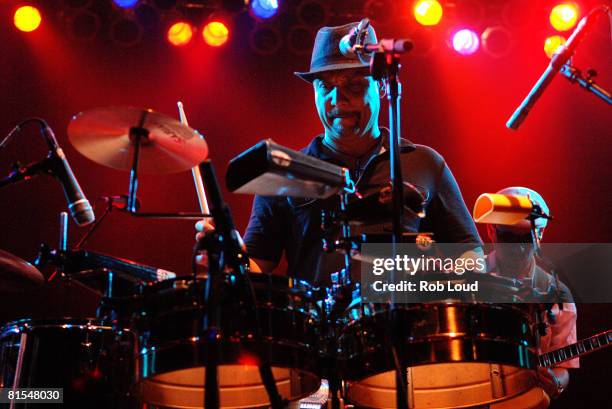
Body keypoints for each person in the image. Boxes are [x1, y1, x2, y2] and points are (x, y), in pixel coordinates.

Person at [197, 21, 482, 284]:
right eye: (325, 86)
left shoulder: (424, 162)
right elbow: (258, 266)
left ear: (382, 87)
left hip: (412, 328)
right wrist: (229, 257)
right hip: (323, 334)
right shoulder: (286, 172)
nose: (338, 99)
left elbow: (472, 257)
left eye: (354, 85)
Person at [482, 186, 579, 401]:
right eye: (508, 237)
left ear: (540, 234)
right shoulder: (467, 278)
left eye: (525, 240)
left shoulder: (558, 294)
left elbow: (564, 367)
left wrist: (555, 384)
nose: (517, 249)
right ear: (491, 230)